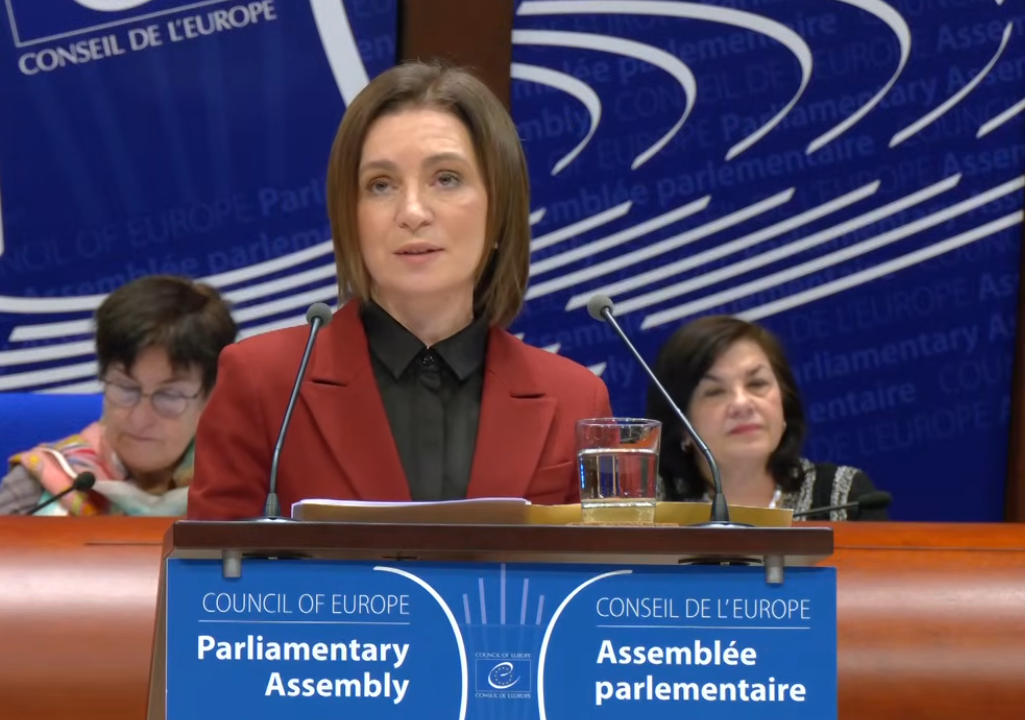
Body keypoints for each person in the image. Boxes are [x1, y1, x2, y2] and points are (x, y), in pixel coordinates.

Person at [185, 61, 613, 520]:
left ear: (500, 209)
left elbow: (602, 563)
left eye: (446, 178)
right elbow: (215, 563)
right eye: (381, 185)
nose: (411, 212)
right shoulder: (263, 382)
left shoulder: (575, 398)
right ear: (350, 217)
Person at [0, 275, 238, 516]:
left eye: (169, 396)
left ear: (211, 398)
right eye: (126, 388)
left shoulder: (244, 488)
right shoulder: (36, 490)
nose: (140, 419)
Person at [646, 315, 888, 521]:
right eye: (715, 392)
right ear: (682, 426)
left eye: (757, 384)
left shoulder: (843, 498)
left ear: (784, 402)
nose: (742, 404)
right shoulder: (648, 508)